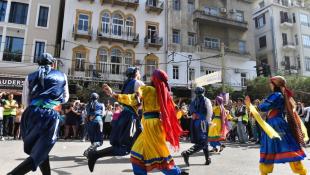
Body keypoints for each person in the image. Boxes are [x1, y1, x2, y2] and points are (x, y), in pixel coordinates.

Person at [102, 69, 186, 175]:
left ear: (153, 78)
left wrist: (114, 94)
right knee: (137, 154)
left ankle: (176, 173)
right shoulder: (164, 94)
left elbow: (133, 98)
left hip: (151, 126)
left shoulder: (147, 89)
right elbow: (176, 112)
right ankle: (176, 172)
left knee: (158, 156)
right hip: (155, 126)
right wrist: (181, 112)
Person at [7, 53, 69, 175]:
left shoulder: (29, 76)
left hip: (31, 114)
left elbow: (25, 101)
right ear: (53, 63)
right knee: (41, 150)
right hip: (50, 114)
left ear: (38, 63)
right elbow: (65, 98)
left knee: (40, 148)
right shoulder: (62, 76)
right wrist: (52, 100)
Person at [245, 76, 308, 175]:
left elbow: (264, 107)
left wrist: (251, 105)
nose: (269, 85)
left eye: (271, 83)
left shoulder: (276, 95)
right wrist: (251, 107)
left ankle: (265, 172)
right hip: (278, 123)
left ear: (275, 84)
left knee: (269, 147)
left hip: (274, 125)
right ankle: (301, 172)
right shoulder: (281, 95)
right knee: (289, 147)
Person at [87, 67, 144, 172]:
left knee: (140, 142)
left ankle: (144, 164)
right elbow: (139, 100)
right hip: (131, 117)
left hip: (127, 116)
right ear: (136, 73)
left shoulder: (127, 84)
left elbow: (127, 99)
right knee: (125, 147)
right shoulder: (138, 83)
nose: (140, 73)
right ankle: (95, 154)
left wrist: (112, 93)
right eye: (139, 72)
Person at [181, 86, 212, 166]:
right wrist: (208, 121)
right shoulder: (206, 100)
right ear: (203, 92)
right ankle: (187, 153)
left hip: (194, 123)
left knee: (203, 140)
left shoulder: (193, 101)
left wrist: (194, 115)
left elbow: (191, 112)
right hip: (203, 122)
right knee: (203, 142)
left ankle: (207, 158)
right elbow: (209, 112)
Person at [83, 93, 105, 157]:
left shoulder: (87, 105)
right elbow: (103, 114)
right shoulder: (101, 104)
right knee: (99, 141)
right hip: (98, 121)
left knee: (93, 140)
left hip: (90, 122)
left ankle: (93, 153)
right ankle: (90, 151)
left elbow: (85, 114)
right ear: (97, 98)